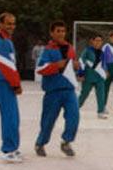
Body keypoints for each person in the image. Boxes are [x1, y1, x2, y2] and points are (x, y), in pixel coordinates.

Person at [34, 20, 80, 157]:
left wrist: (78, 67)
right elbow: (40, 69)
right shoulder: (47, 50)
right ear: (52, 33)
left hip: (69, 90)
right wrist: (56, 65)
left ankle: (66, 141)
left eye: (63, 31)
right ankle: (40, 143)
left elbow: (74, 67)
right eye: (58, 31)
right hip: (53, 92)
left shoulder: (71, 48)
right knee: (48, 121)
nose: (61, 34)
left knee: (74, 116)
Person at [0, 12, 23, 163]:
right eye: (8, 23)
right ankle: (8, 150)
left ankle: (12, 148)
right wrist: (16, 84)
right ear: (0, 24)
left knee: (11, 115)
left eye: (13, 23)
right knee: (11, 116)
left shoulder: (2, 40)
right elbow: (7, 66)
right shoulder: (3, 42)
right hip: (3, 81)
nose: (11, 26)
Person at [78, 35, 108, 119]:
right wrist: (81, 74)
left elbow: (104, 64)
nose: (98, 42)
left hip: (99, 77)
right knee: (84, 94)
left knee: (101, 94)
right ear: (92, 41)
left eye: (100, 41)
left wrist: (106, 71)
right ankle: (74, 109)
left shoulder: (102, 53)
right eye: (96, 40)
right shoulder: (87, 51)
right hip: (88, 77)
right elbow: (81, 61)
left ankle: (100, 111)